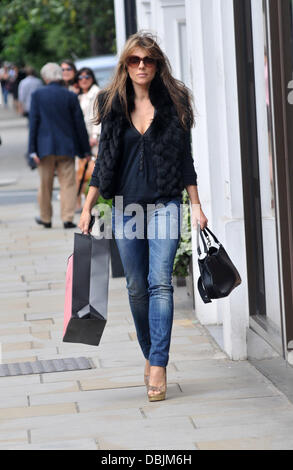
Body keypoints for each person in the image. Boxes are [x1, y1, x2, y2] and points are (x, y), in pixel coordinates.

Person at [79, 31, 208, 402]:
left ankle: (159, 366)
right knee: (136, 287)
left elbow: (186, 160)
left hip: (166, 203)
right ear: (125, 65)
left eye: (148, 61)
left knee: (160, 283)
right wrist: (88, 207)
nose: (141, 66)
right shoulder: (113, 104)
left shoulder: (174, 103)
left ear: (157, 65)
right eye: (134, 60)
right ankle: (151, 355)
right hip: (127, 207)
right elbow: (103, 163)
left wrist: (195, 204)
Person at [29, 62, 91, 229]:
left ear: (45, 77)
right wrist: (85, 149)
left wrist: (32, 150)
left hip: (44, 148)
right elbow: (79, 125)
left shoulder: (37, 95)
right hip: (66, 146)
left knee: (45, 184)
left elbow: (33, 124)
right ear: (59, 76)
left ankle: (46, 218)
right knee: (68, 184)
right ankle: (67, 218)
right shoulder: (69, 96)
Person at [75, 67, 101, 211]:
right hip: (81, 139)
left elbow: (98, 116)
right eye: (80, 77)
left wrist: (95, 136)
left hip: (93, 138)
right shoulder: (79, 95)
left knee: (92, 171)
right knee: (82, 172)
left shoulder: (96, 93)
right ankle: (83, 202)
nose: (84, 80)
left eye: (87, 77)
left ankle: (92, 202)